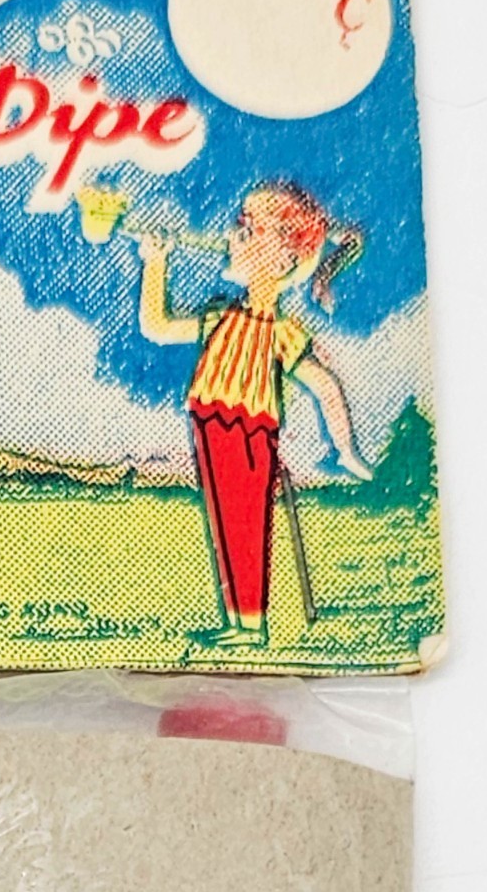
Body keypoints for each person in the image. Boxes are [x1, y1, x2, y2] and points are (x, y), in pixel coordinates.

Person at [138, 182, 371, 649]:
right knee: (223, 525)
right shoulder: (219, 318)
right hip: (209, 425)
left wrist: (345, 450)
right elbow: (157, 327)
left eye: (247, 231)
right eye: (239, 227)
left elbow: (324, 385)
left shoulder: (281, 333)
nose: (232, 236)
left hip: (249, 432)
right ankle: (239, 622)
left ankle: (251, 625)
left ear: (284, 261)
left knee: (246, 524)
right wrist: (155, 262)